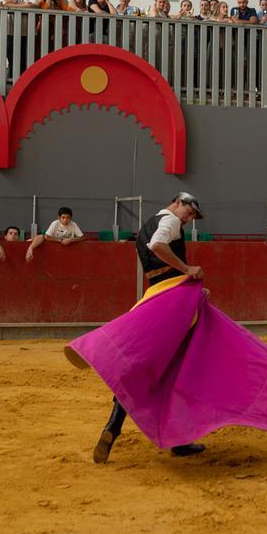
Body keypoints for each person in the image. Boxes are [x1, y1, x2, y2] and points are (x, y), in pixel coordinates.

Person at [90, 192, 209, 462]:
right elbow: (158, 246)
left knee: (139, 367)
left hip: (154, 297)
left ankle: (112, 427)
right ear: (177, 202)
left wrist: (191, 288)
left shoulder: (148, 224)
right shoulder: (170, 223)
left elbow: (160, 268)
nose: (189, 221)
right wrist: (187, 268)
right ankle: (179, 440)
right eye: (189, 213)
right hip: (170, 306)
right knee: (181, 367)